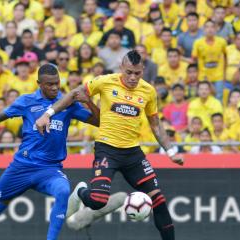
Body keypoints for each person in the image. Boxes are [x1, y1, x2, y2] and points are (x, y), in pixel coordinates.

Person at [36, 50, 184, 240]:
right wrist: (48, 114)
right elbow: (75, 94)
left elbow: (155, 124)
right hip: (107, 150)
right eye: (128, 72)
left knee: (159, 200)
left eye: (137, 73)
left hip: (133, 154)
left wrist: (171, 151)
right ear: (121, 67)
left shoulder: (148, 91)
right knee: (97, 201)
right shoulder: (105, 81)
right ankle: (81, 192)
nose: (132, 77)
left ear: (143, 70)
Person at [0, 64, 100, 240]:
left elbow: (98, 122)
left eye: (57, 83)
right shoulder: (26, 101)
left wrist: (88, 101)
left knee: (62, 191)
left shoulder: (67, 104)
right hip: (22, 167)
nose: (54, 87)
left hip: (50, 169)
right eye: (49, 84)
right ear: (39, 84)